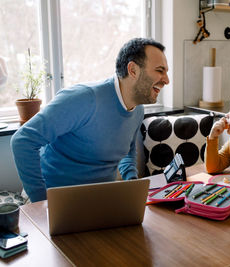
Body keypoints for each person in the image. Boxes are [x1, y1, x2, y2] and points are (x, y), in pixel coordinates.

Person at [11, 38, 169, 202]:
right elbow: (22, 141)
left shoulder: (137, 110)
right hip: (55, 200)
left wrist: (132, 184)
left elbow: (127, 152)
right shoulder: (83, 99)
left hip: (98, 201)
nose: (166, 80)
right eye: (160, 70)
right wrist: (41, 201)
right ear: (133, 70)